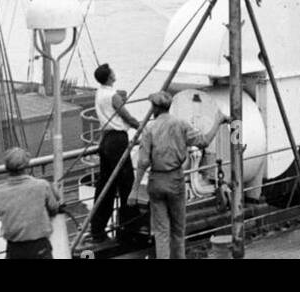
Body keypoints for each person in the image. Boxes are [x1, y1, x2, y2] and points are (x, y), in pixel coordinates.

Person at [133, 91, 228, 259]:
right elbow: (204, 141)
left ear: (154, 108)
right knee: (178, 229)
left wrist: (134, 190)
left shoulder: (149, 129)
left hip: (156, 180)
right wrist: (217, 122)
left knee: (161, 232)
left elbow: (142, 163)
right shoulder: (181, 125)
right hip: (176, 179)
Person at [90, 62, 140, 243]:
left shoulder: (100, 93)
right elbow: (127, 117)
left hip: (105, 141)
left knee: (105, 185)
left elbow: (113, 102)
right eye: (112, 71)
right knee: (127, 184)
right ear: (110, 76)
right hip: (118, 140)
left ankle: (97, 229)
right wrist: (143, 127)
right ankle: (129, 227)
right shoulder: (112, 96)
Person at [0, 147, 60, 260]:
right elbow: (54, 208)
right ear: (27, 166)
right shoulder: (42, 185)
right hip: (39, 246)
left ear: (7, 168)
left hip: (14, 248)